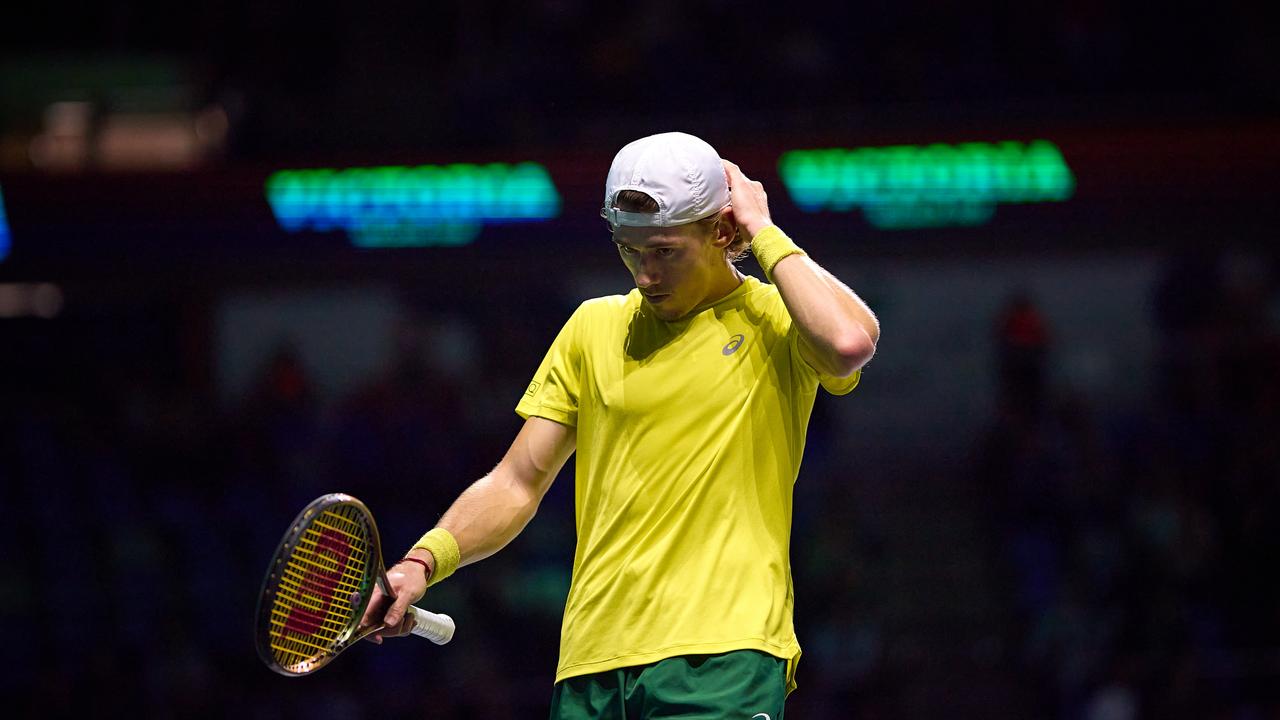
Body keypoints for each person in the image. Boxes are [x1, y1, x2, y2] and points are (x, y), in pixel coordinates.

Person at [362, 131, 880, 718]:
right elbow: (517, 482)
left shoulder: (773, 321)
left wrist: (763, 228)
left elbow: (848, 342)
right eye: (629, 251)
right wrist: (420, 563)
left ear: (721, 230)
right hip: (591, 664)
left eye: (664, 251)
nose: (645, 274)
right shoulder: (594, 327)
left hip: (722, 656)